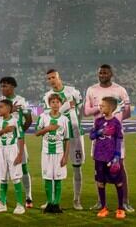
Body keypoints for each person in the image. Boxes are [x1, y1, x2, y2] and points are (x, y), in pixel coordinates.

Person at [85, 64, 134, 212]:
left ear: (111, 74)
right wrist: (103, 107)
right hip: (99, 136)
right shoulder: (91, 90)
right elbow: (87, 111)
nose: (102, 75)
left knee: (119, 166)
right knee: (99, 168)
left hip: (115, 137)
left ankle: (124, 202)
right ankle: (101, 202)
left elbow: (127, 113)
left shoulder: (120, 90)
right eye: (100, 72)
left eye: (105, 72)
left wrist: (114, 121)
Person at [44, 69, 86, 210]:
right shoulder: (47, 96)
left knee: (76, 167)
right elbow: (49, 116)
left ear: (59, 77)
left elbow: (81, 111)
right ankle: (51, 201)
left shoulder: (73, 92)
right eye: (49, 78)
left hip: (75, 135)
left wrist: (76, 124)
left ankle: (76, 200)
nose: (51, 80)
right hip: (57, 137)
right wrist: (66, 106)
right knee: (53, 169)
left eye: (53, 77)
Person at [0, 76, 33, 209]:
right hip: (4, 142)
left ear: (12, 87)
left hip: (17, 142)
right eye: (1, 86)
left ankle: (28, 197)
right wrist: (9, 111)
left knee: (23, 167)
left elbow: (29, 119)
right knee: (3, 169)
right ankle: (1, 198)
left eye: (5, 86)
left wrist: (19, 134)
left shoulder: (21, 101)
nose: (2, 88)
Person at [90, 97, 127, 219]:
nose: (100, 107)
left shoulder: (116, 123)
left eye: (103, 105)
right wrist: (99, 132)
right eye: (100, 105)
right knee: (100, 182)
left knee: (118, 182)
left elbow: (119, 139)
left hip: (112, 158)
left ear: (111, 108)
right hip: (99, 157)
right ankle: (103, 208)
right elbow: (91, 136)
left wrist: (117, 156)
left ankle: (120, 208)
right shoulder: (98, 121)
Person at [35, 94, 70, 214]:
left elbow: (67, 139)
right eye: (53, 102)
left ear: (61, 104)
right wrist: (48, 129)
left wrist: (65, 156)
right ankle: (49, 203)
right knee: (48, 178)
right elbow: (37, 133)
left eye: (57, 102)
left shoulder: (65, 120)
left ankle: (56, 204)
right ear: (49, 104)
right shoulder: (43, 117)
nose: (55, 104)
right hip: (46, 153)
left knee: (58, 179)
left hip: (59, 153)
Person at [0, 98, 25, 215]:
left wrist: (20, 154)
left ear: (8, 108)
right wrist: (4, 130)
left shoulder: (15, 121)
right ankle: (2, 204)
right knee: (2, 177)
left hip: (12, 149)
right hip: (0, 150)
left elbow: (21, 138)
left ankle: (20, 205)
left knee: (15, 177)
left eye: (1, 107)